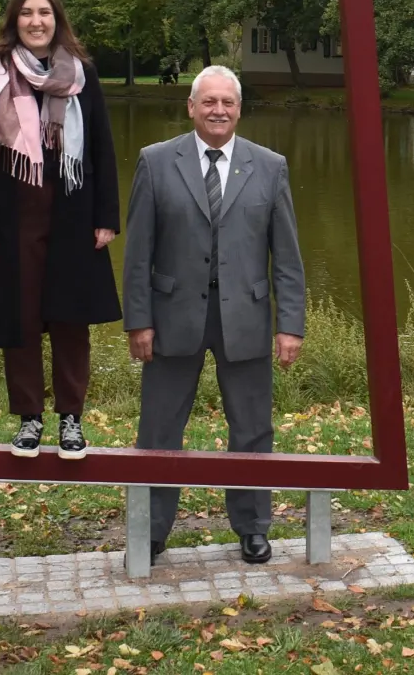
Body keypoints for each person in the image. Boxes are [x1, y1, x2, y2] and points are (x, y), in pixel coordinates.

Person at [122, 65, 305, 565]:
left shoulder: (270, 166)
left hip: (244, 318)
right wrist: (138, 320)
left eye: (227, 102)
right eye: (209, 102)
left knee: (251, 429)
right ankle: (152, 531)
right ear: (191, 107)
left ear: (239, 109)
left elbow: (286, 256)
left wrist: (290, 324)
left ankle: (252, 527)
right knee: (159, 431)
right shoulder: (156, 162)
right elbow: (138, 252)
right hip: (171, 316)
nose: (218, 111)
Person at [0, 0, 122, 460]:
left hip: (73, 214)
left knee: (71, 319)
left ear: (58, 20)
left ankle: (71, 418)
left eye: (45, 13)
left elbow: (101, 148)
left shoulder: (83, 76)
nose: (36, 21)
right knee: (22, 318)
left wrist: (106, 218)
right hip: (13, 220)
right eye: (27, 13)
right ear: (14, 21)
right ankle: (29, 418)